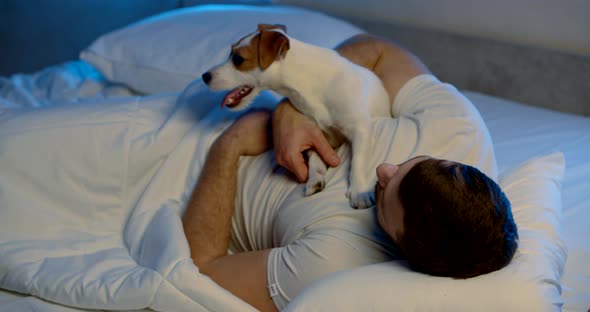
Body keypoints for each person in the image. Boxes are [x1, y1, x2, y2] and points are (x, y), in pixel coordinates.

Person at [182, 34, 518, 311]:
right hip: (242, 104)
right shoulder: (458, 129)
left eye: (385, 192)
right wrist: (293, 108)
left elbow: (200, 270)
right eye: (408, 163)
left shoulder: (330, 266)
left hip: (190, 174)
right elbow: (378, 50)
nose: (382, 169)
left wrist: (231, 144)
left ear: (403, 245)